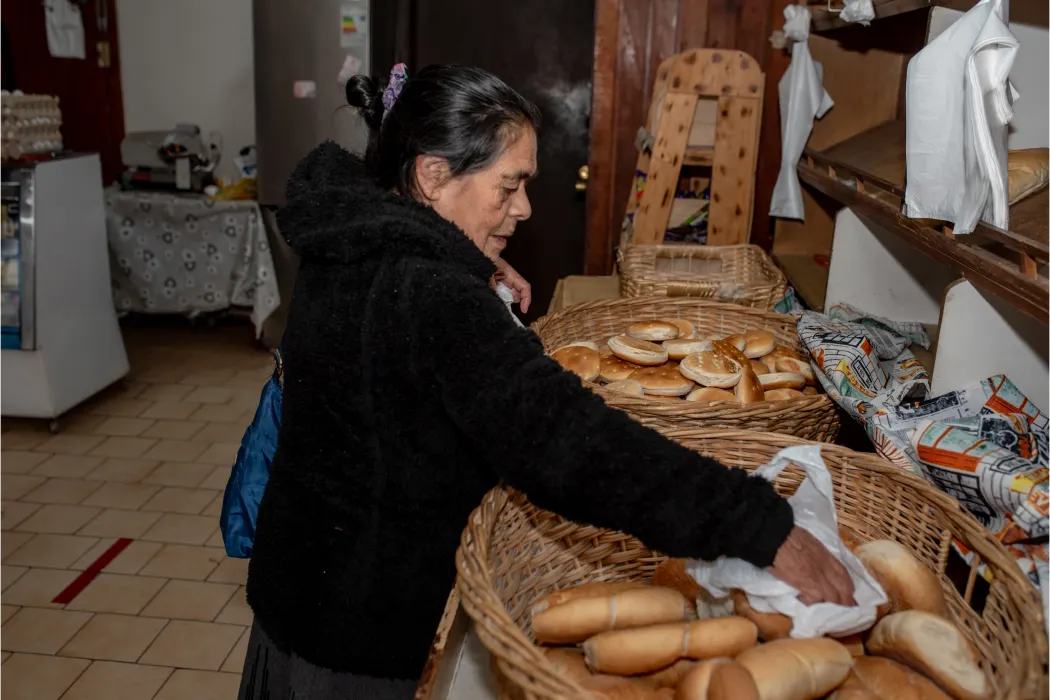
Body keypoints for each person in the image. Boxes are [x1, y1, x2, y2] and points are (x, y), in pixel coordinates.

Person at [239, 63, 854, 700]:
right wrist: (759, 525)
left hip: (297, 592)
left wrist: (465, 255)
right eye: (508, 187)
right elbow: (572, 444)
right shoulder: (433, 296)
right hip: (361, 640)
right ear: (431, 175)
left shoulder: (349, 238)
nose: (524, 208)